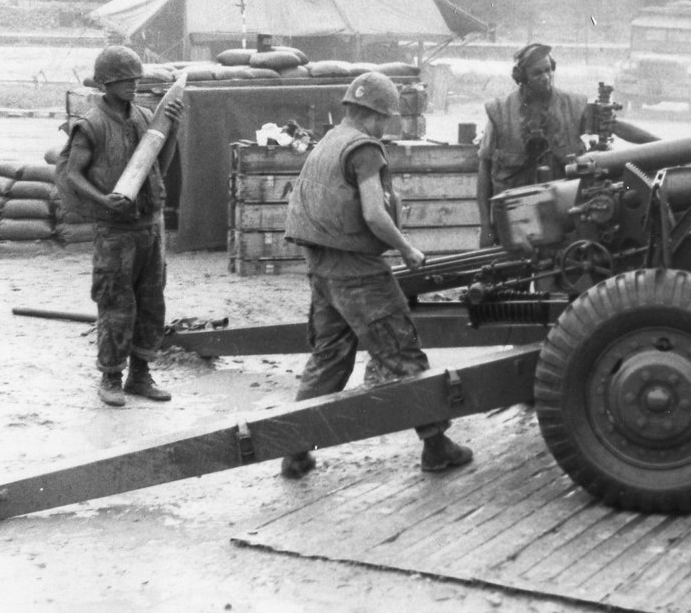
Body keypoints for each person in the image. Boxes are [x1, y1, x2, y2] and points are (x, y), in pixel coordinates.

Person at [280, 71, 472, 478]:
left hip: (323, 272)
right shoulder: (365, 149)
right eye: (386, 119)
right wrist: (407, 249)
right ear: (376, 115)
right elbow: (373, 214)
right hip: (360, 276)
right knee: (402, 354)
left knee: (328, 360)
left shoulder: (329, 141)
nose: (385, 127)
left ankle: (295, 451)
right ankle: (436, 447)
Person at [59, 44, 183, 407]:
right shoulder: (91, 124)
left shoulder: (145, 116)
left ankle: (140, 375)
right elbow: (72, 173)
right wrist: (102, 200)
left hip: (150, 225)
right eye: (124, 79)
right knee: (115, 302)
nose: (133, 85)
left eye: (135, 79)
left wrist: (172, 127)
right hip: (115, 231)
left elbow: (159, 164)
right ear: (105, 83)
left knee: (151, 302)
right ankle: (111, 376)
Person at [477, 42, 658, 246]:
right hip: (517, 221)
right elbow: (484, 169)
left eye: (548, 70)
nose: (546, 77)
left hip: (565, 219)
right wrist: (485, 227)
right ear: (521, 77)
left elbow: (617, 127)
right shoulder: (500, 112)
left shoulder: (572, 106)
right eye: (537, 73)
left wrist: (661, 145)